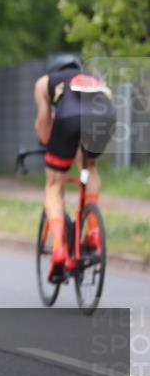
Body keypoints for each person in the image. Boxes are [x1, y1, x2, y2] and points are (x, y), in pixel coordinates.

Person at [33, 53, 115, 283]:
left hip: (68, 119)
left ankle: (59, 248)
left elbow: (43, 121)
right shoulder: (93, 78)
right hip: (105, 117)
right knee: (89, 166)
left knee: (54, 183)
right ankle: (94, 232)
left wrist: (49, 144)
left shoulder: (44, 82)